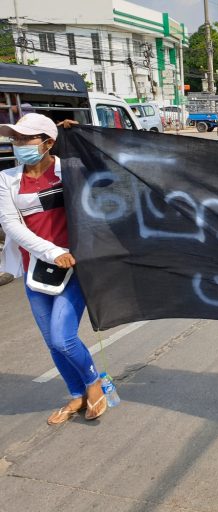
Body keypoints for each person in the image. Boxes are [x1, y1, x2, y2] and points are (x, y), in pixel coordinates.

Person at [0, 113, 107, 424]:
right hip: (37, 268)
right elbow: (10, 224)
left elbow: (106, 172)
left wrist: (83, 138)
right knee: (51, 341)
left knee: (63, 338)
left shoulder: (69, 168)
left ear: (47, 143)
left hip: (75, 266)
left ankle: (93, 382)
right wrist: (50, 252)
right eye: (14, 138)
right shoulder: (7, 180)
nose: (17, 144)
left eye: (24, 138)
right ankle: (76, 395)